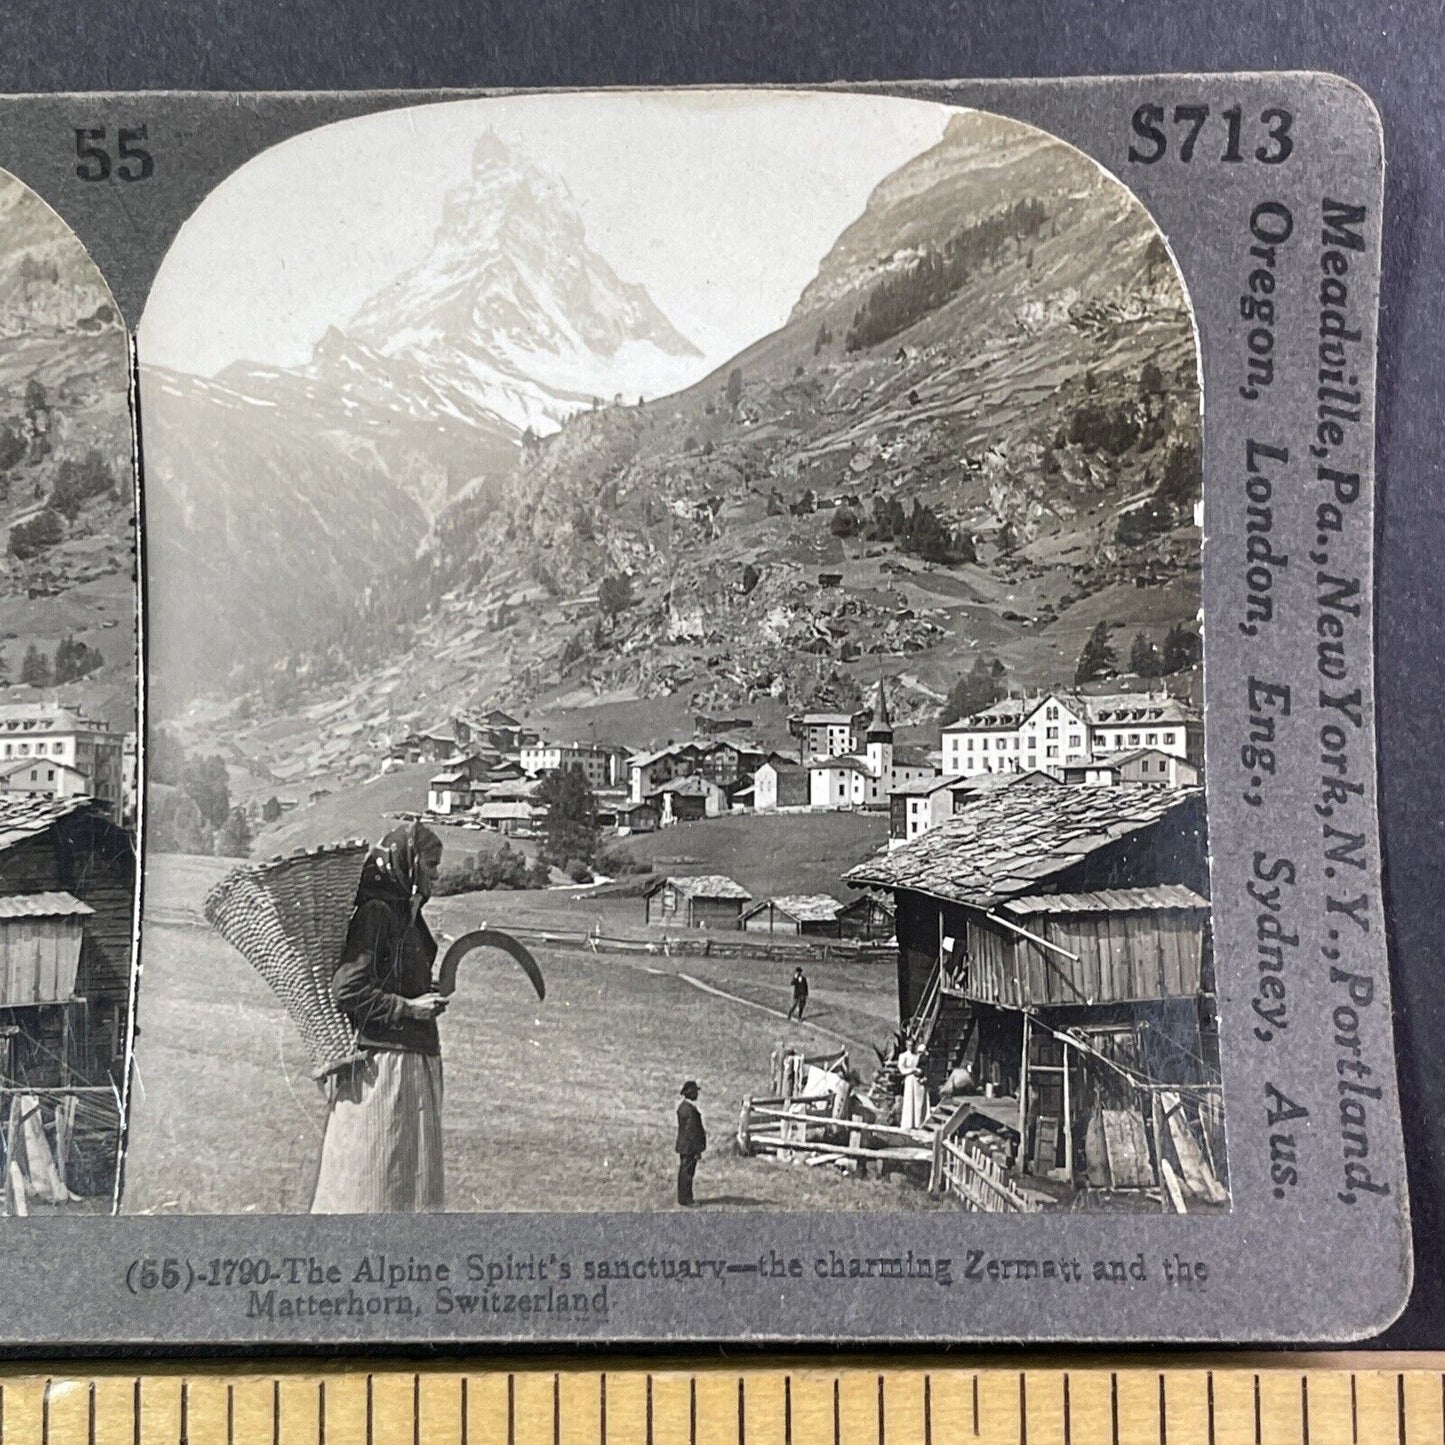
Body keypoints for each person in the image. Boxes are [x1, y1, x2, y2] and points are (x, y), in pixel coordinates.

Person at [311, 821, 448, 1214]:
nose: (437, 874)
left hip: (410, 1066)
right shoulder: (377, 911)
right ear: (409, 861)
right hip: (385, 1073)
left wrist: (423, 989)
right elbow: (348, 989)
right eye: (432, 865)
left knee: (402, 1185)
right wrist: (409, 1008)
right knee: (375, 1181)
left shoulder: (406, 912)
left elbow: (391, 976)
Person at [675, 1080, 706, 1206]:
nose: (697, 1094)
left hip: (684, 1145)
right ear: (690, 1093)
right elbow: (692, 1132)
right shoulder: (690, 1110)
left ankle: (683, 1198)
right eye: (695, 1092)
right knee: (687, 1174)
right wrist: (697, 1150)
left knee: (684, 1172)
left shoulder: (683, 1107)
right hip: (689, 1147)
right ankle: (687, 1200)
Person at [897, 1036, 929, 1131]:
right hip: (909, 1079)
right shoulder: (903, 1056)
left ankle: (918, 1122)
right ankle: (908, 1123)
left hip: (917, 1080)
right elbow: (902, 1070)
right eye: (908, 1045)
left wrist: (922, 1073)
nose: (910, 1046)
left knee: (918, 1102)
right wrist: (913, 1070)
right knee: (909, 1101)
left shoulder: (916, 1056)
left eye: (912, 1045)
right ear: (906, 1045)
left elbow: (923, 1065)